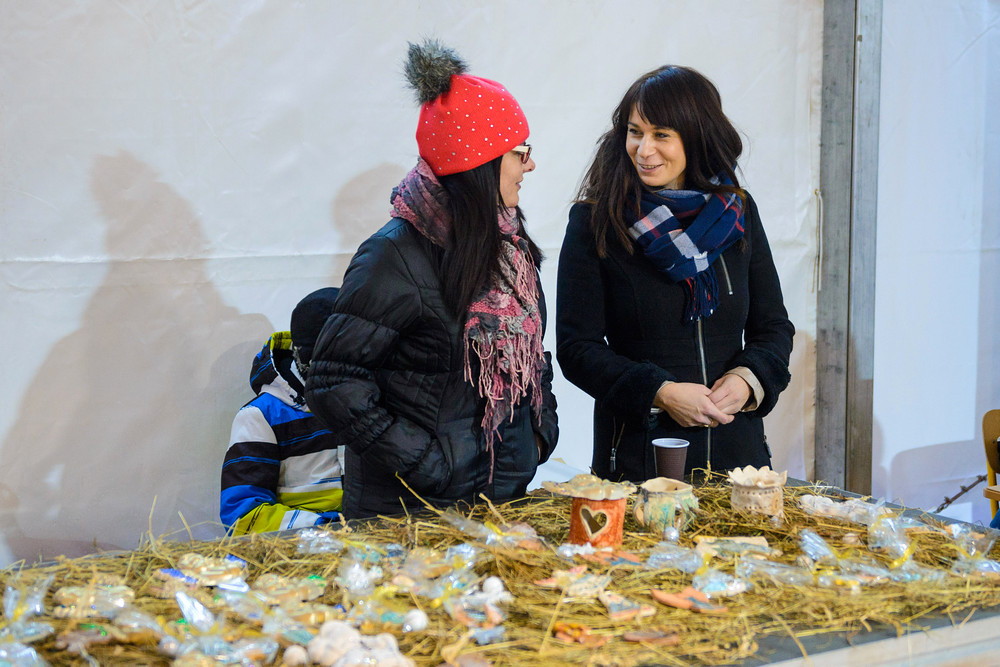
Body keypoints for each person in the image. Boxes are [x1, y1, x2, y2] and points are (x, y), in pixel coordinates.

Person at [305, 40, 558, 520]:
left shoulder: (509, 247)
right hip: (410, 515)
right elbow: (333, 380)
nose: (530, 164)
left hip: (501, 502)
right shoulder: (393, 255)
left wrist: (538, 435)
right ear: (479, 162)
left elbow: (532, 354)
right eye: (519, 152)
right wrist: (428, 464)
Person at [556, 65, 793, 483]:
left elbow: (773, 326)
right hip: (637, 461)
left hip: (739, 465)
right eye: (635, 132)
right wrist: (660, 392)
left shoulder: (737, 211)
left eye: (661, 135)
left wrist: (748, 378)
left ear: (697, 136)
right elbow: (578, 348)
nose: (643, 150)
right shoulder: (595, 221)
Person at [220, 288, 343, 534]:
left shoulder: (376, 396)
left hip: (379, 541)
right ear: (309, 359)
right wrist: (326, 531)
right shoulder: (261, 416)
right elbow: (243, 516)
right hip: (308, 547)